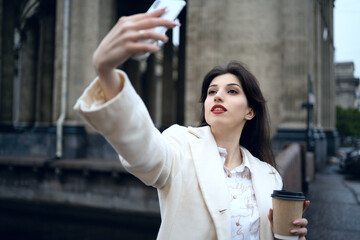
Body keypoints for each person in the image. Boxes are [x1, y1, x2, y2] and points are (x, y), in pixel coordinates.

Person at [74, 7, 310, 240]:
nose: (217, 96)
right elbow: (144, 154)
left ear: (250, 111)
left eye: (232, 91)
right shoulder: (180, 145)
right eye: (211, 91)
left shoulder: (269, 175)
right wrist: (107, 74)